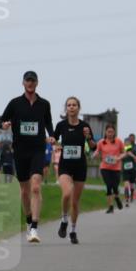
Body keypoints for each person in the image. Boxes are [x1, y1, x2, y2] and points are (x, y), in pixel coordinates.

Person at [0, 70, 54, 243]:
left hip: (38, 149)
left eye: (33, 81)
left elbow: (48, 122)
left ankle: (34, 228)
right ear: (23, 83)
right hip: (20, 150)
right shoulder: (15, 103)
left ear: (37, 83)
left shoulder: (44, 104)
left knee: (36, 187)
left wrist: (52, 135)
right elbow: (2, 120)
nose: (30, 83)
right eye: (27, 81)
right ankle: (29, 219)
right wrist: (5, 124)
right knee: (24, 190)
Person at [52, 97, 93, 244]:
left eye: (74, 105)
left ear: (79, 108)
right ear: (66, 108)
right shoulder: (61, 125)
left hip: (80, 166)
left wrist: (88, 137)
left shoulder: (85, 126)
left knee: (75, 202)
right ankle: (64, 220)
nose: (71, 107)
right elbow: (54, 139)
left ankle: (73, 231)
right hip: (65, 165)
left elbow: (93, 146)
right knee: (67, 193)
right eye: (69, 105)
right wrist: (55, 144)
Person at [92, 124, 126, 213]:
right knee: (108, 185)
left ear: (114, 132)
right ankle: (110, 206)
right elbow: (97, 151)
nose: (110, 134)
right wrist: (95, 154)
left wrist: (118, 158)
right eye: (108, 132)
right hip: (105, 167)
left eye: (111, 132)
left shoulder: (119, 142)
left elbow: (124, 153)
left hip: (116, 168)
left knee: (115, 186)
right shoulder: (101, 142)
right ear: (105, 132)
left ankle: (117, 198)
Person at [121, 134, 136, 206]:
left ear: (130, 144)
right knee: (126, 185)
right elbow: (119, 158)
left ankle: (132, 194)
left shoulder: (133, 150)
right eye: (125, 142)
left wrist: (135, 158)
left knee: (132, 185)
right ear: (124, 143)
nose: (126, 143)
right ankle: (127, 200)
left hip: (132, 170)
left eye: (128, 142)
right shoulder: (122, 151)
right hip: (125, 171)